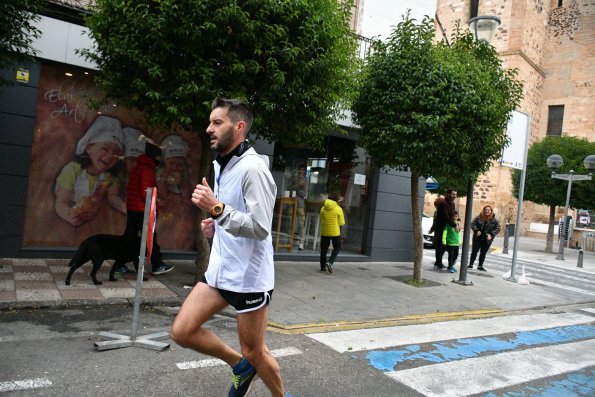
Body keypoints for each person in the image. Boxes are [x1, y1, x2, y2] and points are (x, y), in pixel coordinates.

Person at [170, 98, 291, 397]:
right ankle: (239, 366)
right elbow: (232, 215)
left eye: (217, 123)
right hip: (221, 271)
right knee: (182, 331)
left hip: (249, 280)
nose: (208, 128)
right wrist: (216, 223)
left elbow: (260, 227)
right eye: (210, 122)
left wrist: (217, 210)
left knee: (255, 351)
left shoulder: (253, 169)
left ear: (238, 127)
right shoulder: (220, 163)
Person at [114, 140, 174, 275]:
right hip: (143, 210)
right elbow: (146, 192)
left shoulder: (138, 167)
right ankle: (158, 265)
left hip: (133, 208)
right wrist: (155, 206)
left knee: (129, 237)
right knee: (150, 237)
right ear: (155, 157)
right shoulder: (147, 169)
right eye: (159, 156)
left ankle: (119, 263)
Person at [54, 115, 126, 226]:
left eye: (115, 152)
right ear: (89, 148)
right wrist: (70, 215)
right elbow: (61, 202)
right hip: (65, 222)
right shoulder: (72, 170)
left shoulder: (109, 177)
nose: (109, 156)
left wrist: (123, 207)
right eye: (105, 148)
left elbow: (106, 198)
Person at [319, 191, 345, 274]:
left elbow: (321, 219)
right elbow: (341, 223)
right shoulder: (338, 209)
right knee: (337, 247)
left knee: (324, 250)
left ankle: (322, 268)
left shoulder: (323, 208)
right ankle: (330, 262)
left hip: (325, 231)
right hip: (335, 232)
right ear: (337, 200)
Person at [468, 205, 501, 271]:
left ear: (491, 211)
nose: (487, 211)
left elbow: (498, 228)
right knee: (474, 251)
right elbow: (472, 224)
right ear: (484, 210)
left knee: (483, 252)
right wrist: (476, 230)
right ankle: (471, 264)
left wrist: (491, 234)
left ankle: (480, 266)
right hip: (478, 237)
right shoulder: (479, 217)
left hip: (487, 239)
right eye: (486, 210)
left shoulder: (494, 220)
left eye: (488, 210)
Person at [433, 188, 457, 270]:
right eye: (453, 194)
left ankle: (442, 262)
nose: (455, 196)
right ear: (448, 194)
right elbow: (446, 217)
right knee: (440, 246)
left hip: (448, 228)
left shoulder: (452, 204)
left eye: (456, 195)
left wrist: (457, 221)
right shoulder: (443, 203)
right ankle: (438, 263)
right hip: (441, 228)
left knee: (447, 246)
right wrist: (454, 225)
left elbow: (453, 215)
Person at [290, 164, 308, 250]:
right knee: (291, 221)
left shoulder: (305, 180)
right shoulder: (294, 179)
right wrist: (297, 185)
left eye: (302, 170)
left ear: (304, 171)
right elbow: (290, 188)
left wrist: (298, 189)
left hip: (300, 203)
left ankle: (301, 242)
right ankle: (290, 239)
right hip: (292, 202)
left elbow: (304, 193)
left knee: (301, 223)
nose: (301, 171)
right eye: (300, 170)